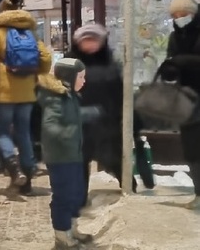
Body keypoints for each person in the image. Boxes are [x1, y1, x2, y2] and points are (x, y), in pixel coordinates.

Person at [66, 23, 154, 207]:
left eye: (93, 40)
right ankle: (79, 198)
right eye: (85, 40)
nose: (89, 45)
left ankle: (129, 188)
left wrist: (127, 117)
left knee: (114, 158)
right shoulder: (68, 63)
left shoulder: (110, 63)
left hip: (107, 122)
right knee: (79, 160)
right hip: (78, 122)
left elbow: (121, 92)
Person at [0, 0, 52, 192]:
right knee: (24, 133)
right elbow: (46, 57)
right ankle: (27, 183)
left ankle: (15, 170)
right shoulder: (31, 32)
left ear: (1, 12)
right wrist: (37, 72)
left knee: (2, 132)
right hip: (27, 92)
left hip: (6, 92)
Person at [37, 58, 101, 249]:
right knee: (63, 197)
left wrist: (90, 113)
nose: (84, 81)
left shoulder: (70, 96)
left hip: (72, 155)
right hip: (60, 157)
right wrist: (70, 133)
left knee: (75, 193)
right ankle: (62, 237)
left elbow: (72, 116)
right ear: (69, 78)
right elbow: (50, 127)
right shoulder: (56, 98)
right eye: (80, 77)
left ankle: (72, 229)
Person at [165, 0, 200, 209]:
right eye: (175, 16)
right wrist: (169, 69)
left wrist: (184, 61)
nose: (179, 18)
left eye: (183, 14)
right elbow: (172, 62)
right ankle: (199, 193)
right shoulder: (174, 37)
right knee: (192, 150)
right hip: (186, 100)